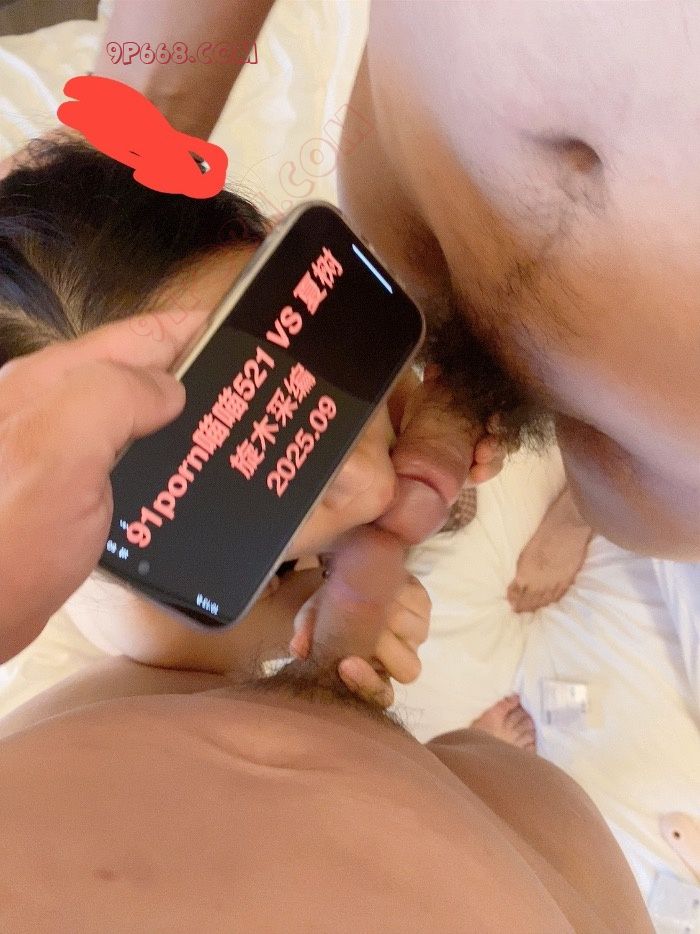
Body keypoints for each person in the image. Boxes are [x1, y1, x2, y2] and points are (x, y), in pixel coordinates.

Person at [89, 0, 699, 574]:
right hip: (420, 207)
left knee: (620, 502)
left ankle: (565, 505)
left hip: (653, 428)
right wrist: (101, 200)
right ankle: (459, 397)